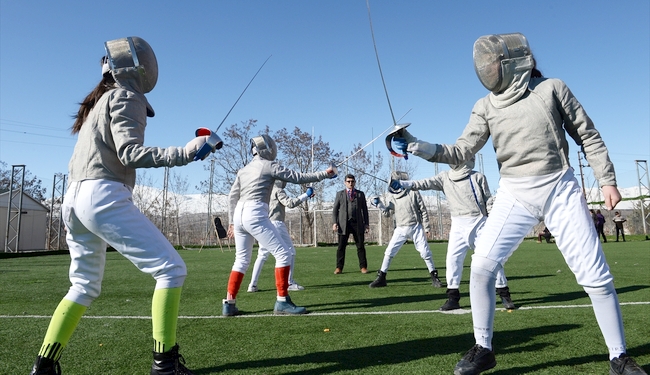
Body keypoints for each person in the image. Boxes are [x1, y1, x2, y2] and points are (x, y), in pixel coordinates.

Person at [392, 33, 646, 375]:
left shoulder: (551, 88)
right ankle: (483, 349)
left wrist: (607, 178)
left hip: (559, 187)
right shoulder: (485, 106)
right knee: (482, 266)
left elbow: (587, 134)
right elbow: (461, 152)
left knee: (595, 276)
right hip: (514, 193)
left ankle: (619, 357)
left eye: (491, 62)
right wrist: (416, 145)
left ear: (512, 61)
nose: (485, 69)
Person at [29, 37, 217, 375]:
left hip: (73, 201)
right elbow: (130, 153)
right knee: (171, 270)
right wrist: (186, 152)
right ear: (138, 68)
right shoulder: (127, 96)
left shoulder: (98, 103)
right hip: (102, 196)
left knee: (83, 286)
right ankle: (165, 365)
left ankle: (44, 367)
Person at [223, 134, 336, 316]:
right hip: (255, 212)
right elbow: (298, 177)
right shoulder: (269, 165)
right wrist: (325, 174)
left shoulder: (243, 170)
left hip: (239, 215)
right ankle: (282, 301)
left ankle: (229, 303)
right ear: (267, 149)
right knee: (284, 254)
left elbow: (232, 197)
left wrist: (230, 222)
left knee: (241, 260)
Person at [390, 158, 516, 311]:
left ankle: (504, 294)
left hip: (479, 223)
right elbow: (424, 183)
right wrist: (403, 184)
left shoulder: (478, 177)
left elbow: (488, 200)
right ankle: (453, 298)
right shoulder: (445, 177)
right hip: (457, 224)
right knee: (452, 260)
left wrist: (491, 222)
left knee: (491, 258)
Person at [368, 171, 443, 289]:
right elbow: (387, 213)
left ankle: (434, 276)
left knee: (425, 252)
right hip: (400, 228)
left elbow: (423, 210)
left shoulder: (413, 192)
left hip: (415, 226)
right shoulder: (392, 196)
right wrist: (380, 205)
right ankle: (381, 277)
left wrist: (427, 227)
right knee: (389, 252)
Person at [247, 181, 315, 293]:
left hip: (263, 223)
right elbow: (290, 203)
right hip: (276, 224)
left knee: (262, 254)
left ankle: (252, 285)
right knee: (291, 252)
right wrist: (306, 194)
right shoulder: (278, 190)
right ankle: (289, 282)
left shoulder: (263, 190)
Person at [332, 174, 370, 274]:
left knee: (360, 246)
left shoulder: (360, 194)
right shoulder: (340, 194)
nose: (350, 183)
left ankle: (363, 267)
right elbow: (335, 210)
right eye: (348, 181)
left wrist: (366, 224)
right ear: (345, 182)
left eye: (352, 181)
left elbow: (365, 210)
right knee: (341, 247)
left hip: (358, 224)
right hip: (343, 224)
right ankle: (339, 268)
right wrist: (335, 222)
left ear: (355, 182)